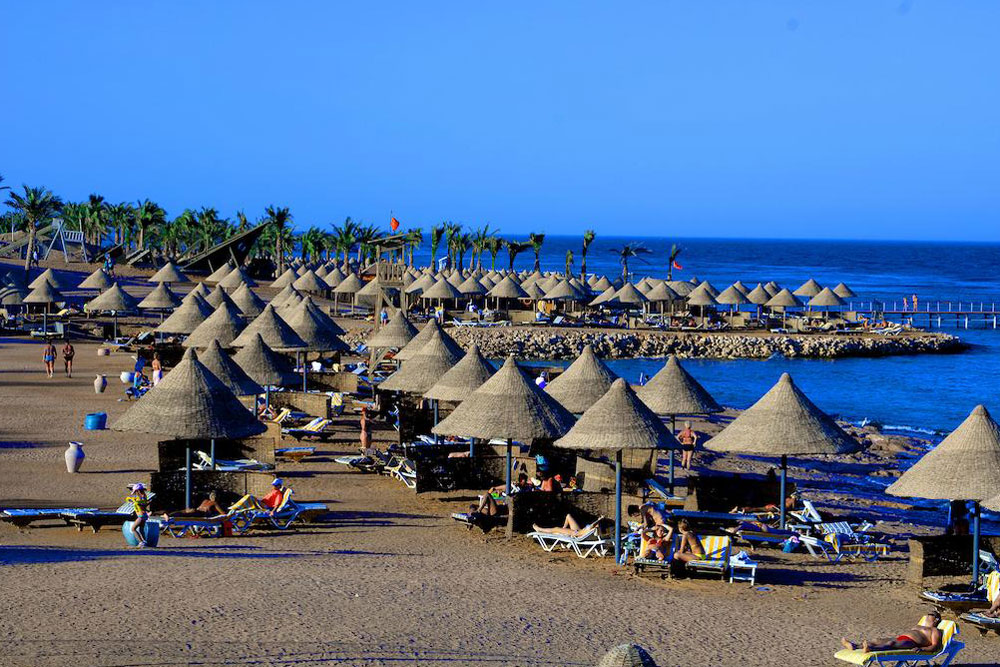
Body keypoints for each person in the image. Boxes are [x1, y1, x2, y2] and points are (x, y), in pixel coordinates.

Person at [841, 611, 942, 653]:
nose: (928, 615)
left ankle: (870, 649)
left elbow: (935, 646)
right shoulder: (919, 626)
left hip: (912, 643)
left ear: (936, 620)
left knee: (891, 643)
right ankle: (854, 646)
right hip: (901, 638)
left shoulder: (934, 631)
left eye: (931, 614)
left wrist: (922, 649)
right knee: (877, 640)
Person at [531, 513, 601, 537]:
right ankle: (563, 529)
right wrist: (599, 520)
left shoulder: (593, 528)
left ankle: (539, 529)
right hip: (578, 531)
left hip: (576, 533)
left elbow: (592, 526)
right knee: (568, 516)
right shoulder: (594, 529)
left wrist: (599, 520)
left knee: (556, 528)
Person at [126, 483, 151, 547]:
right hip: (144, 515)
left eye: (135, 491)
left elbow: (142, 506)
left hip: (141, 516)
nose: (135, 493)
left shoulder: (140, 498)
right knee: (141, 529)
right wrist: (135, 502)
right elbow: (144, 504)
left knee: (133, 529)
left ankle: (141, 542)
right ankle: (144, 542)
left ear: (138, 490)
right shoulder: (144, 496)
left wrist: (137, 503)